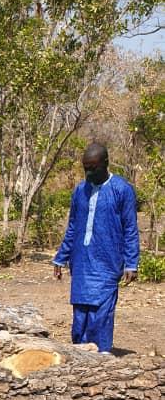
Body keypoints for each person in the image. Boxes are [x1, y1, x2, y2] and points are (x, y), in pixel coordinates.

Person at [53, 142, 139, 354]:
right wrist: (60, 257)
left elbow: (130, 228)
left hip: (108, 262)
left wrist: (131, 263)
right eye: (85, 167)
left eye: (93, 167)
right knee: (80, 314)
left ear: (106, 164)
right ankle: (80, 356)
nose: (89, 172)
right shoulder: (80, 191)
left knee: (101, 314)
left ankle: (101, 357)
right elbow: (73, 226)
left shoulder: (122, 190)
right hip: (81, 263)